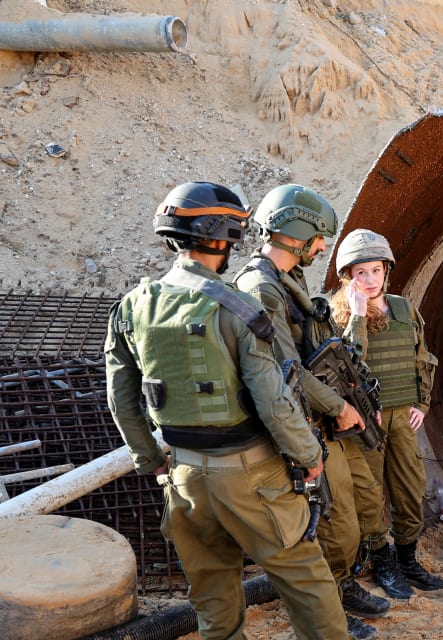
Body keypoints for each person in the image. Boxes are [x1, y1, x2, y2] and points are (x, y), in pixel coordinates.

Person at [105, 181, 348, 640]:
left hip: (183, 477)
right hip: (253, 476)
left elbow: (121, 398)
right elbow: (273, 400)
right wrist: (309, 457)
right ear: (222, 237)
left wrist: (151, 461)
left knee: (214, 604)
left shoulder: (130, 308)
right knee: (306, 582)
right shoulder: (238, 307)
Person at [232, 183, 402, 640]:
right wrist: (340, 406)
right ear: (296, 233)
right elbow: (284, 371)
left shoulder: (290, 279)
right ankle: (327, 609)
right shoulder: (261, 288)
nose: (324, 247)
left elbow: (312, 351)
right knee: (322, 519)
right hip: (300, 422)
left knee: (345, 513)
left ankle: (343, 585)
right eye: (319, 237)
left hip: (322, 417)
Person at [330, 229, 443, 596]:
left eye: (375, 271)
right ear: (348, 276)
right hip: (367, 421)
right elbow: (347, 366)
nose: (368, 279)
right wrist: (358, 317)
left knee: (411, 491)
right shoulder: (340, 314)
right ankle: (384, 565)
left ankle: (408, 560)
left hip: (402, 416)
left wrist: (422, 403)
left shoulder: (403, 308)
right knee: (369, 497)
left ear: (386, 271)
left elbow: (422, 358)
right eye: (360, 272)